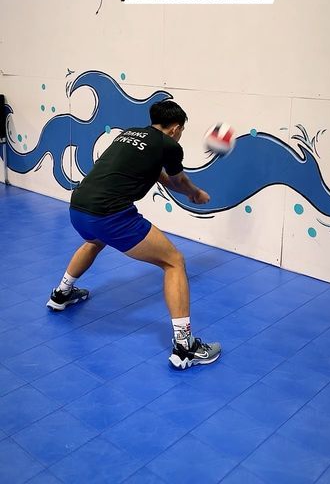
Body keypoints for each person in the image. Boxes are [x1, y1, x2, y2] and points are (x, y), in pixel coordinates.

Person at [47, 100, 221, 369]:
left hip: (79, 207)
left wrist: (184, 188)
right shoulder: (170, 145)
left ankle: (61, 294)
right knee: (174, 261)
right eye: (182, 130)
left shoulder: (129, 134)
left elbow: (157, 174)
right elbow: (177, 181)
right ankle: (185, 347)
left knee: (94, 241)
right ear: (175, 129)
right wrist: (195, 193)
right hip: (111, 214)